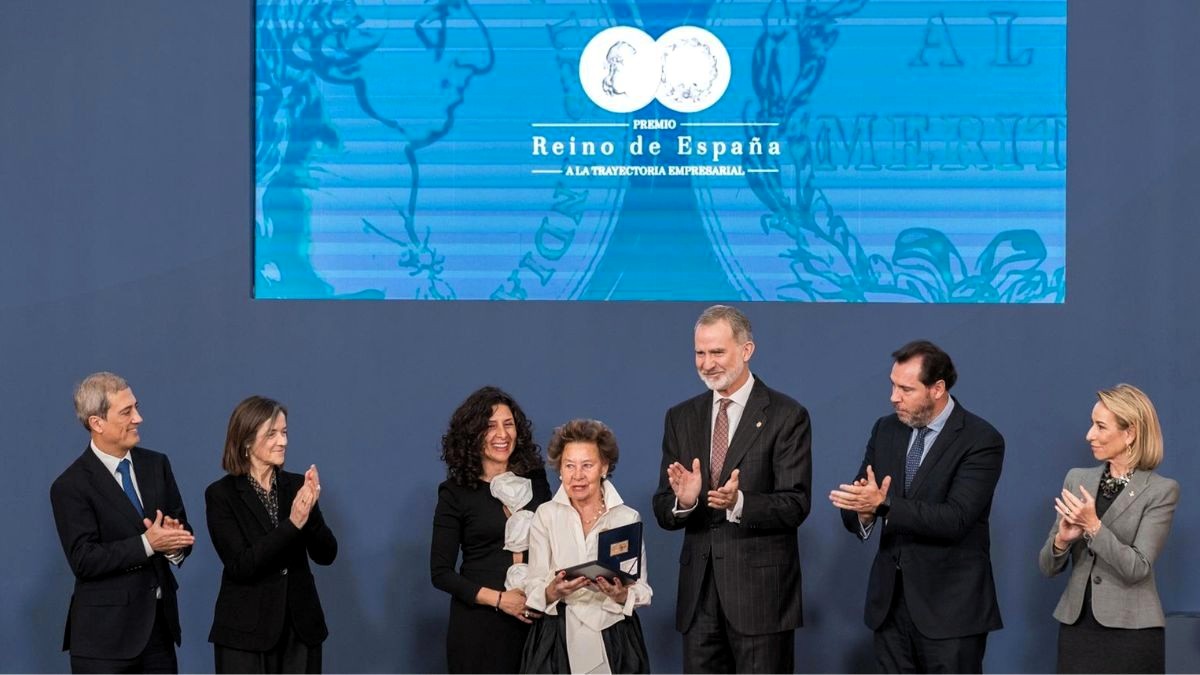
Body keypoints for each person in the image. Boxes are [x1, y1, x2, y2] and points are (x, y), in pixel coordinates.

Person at [652, 304, 812, 673]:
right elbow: (664, 506)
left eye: (717, 352)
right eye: (700, 353)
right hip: (699, 600)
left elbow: (795, 504)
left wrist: (738, 503)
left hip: (761, 600)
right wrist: (684, 502)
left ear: (746, 350)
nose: (707, 363)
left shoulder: (787, 415)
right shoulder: (681, 417)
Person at [830, 340, 1004, 673]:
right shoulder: (886, 429)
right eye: (893, 385)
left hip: (950, 613)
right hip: (890, 608)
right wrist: (863, 512)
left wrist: (884, 506)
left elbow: (957, 518)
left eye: (906, 389)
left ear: (937, 389)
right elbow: (863, 496)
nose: (894, 396)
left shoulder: (981, 440)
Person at [50, 372, 195, 673]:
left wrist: (173, 542)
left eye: (136, 407)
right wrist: (148, 543)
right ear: (97, 423)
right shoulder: (71, 485)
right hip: (103, 641)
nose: (138, 418)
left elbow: (180, 529)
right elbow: (84, 559)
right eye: (127, 411)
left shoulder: (157, 465)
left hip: (158, 633)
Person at [1038, 384, 1178, 674]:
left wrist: (1093, 526)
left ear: (1130, 433)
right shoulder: (1077, 478)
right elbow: (1047, 568)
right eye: (1092, 424)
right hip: (1077, 629)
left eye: (1100, 426)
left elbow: (1138, 568)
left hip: (1132, 633)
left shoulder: (1161, 491)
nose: (1089, 435)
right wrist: (1062, 542)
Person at [206, 396, 337, 673]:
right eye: (272, 434)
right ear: (246, 441)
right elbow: (241, 565)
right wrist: (293, 524)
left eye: (285, 432)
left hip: (301, 629)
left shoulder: (297, 486)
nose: (283, 441)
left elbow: (326, 554)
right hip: (246, 634)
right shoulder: (221, 495)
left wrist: (309, 513)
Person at [431, 386, 553, 673]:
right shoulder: (455, 492)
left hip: (537, 620)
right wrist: (500, 600)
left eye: (508, 424)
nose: (502, 434)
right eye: (490, 426)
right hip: (480, 627)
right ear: (473, 434)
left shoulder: (536, 482)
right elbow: (440, 573)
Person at [522, 419, 652, 674]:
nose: (577, 476)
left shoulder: (626, 517)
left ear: (604, 467)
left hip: (615, 636)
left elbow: (643, 588)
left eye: (587, 465)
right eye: (569, 466)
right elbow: (533, 585)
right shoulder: (545, 515)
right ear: (559, 469)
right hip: (556, 636)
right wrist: (553, 590)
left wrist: (620, 594)